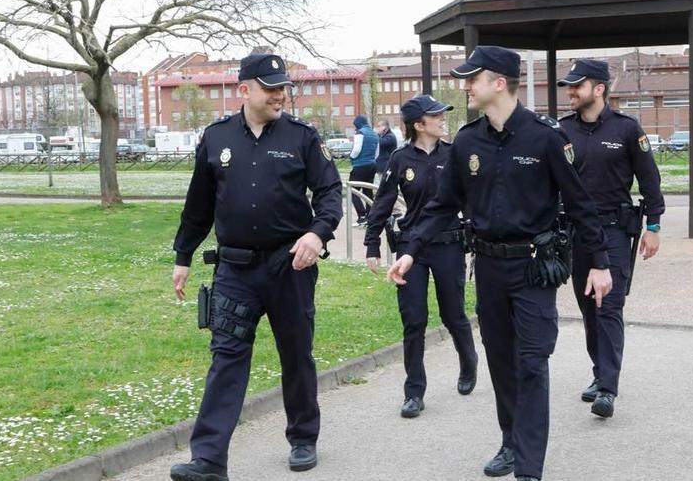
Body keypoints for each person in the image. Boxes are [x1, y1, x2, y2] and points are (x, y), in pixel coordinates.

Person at [388, 46, 613, 481]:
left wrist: (600, 262)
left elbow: (581, 204)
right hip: (488, 267)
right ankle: (510, 442)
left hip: (533, 268)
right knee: (502, 362)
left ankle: (529, 467)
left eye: (473, 78)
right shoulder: (468, 141)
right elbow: (441, 204)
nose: (465, 85)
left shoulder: (546, 137)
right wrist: (411, 250)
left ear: (499, 82)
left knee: (531, 362)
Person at [169, 53, 342, 481]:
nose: (280, 94)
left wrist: (316, 234)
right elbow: (198, 206)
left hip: (291, 267)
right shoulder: (216, 138)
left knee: (296, 355)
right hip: (234, 270)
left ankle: (303, 437)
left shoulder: (303, 137)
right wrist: (183, 256)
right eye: (270, 87)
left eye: (284, 86)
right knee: (226, 358)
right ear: (244, 89)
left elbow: (330, 194)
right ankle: (208, 459)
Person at [557, 59, 665, 419]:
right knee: (589, 307)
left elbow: (650, 179)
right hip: (576, 233)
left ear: (599, 89)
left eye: (577, 85)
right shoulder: (562, 131)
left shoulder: (626, 129)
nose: (570, 91)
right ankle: (599, 371)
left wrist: (653, 225)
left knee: (609, 306)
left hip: (615, 229)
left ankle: (607, 387)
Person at [364, 95, 478, 418]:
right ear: (419, 125)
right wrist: (372, 243)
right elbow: (382, 203)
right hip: (410, 248)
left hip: (447, 246)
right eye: (436, 116)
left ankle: (468, 363)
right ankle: (414, 391)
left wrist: (474, 233)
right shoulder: (400, 160)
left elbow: (469, 199)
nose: (443, 119)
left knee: (452, 314)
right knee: (413, 319)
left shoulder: (454, 155)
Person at [349, 115, 379, 226]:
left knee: (352, 191)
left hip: (360, 165)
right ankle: (370, 216)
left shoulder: (360, 133)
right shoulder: (374, 134)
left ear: (357, 124)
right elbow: (377, 153)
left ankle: (361, 216)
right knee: (368, 191)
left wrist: (351, 157)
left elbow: (356, 149)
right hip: (372, 165)